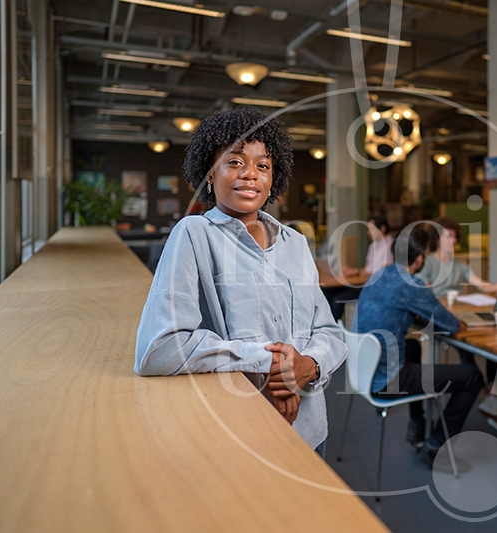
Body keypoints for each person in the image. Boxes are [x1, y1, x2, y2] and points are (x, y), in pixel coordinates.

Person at [135, 106, 347, 459]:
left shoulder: (295, 243)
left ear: (273, 178)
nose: (250, 174)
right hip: (238, 433)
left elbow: (329, 331)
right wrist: (265, 361)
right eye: (234, 161)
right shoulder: (194, 235)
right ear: (209, 174)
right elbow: (158, 349)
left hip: (311, 431)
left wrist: (306, 367)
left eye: (262, 165)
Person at [354, 226, 483, 467]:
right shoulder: (410, 285)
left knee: (411, 345)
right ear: (421, 257)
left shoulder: (379, 275)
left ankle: (417, 424)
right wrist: (448, 313)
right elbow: (451, 325)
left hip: (362, 372)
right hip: (386, 381)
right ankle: (434, 445)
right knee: (472, 377)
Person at [415, 217, 497, 433]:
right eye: (447, 236)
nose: (452, 240)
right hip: (439, 317)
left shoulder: (460, 265)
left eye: (454, 236)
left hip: (458, 316)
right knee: (466, 351)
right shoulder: (428, 262)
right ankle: (488, 397)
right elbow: (422, 291)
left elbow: (480, 284)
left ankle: (491, 395)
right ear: (437, 239)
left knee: (492, 346)